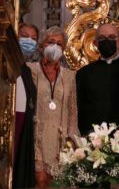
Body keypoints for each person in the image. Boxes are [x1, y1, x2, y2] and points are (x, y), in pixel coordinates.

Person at [28, 26, 79, 188]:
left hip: (60, 137)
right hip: (36, 136)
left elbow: (72, 109)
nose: (55, 47)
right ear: (42, 45)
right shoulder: (29, 70)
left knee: (56, 182)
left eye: (59, 44)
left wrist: (72, 138)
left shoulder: (69, 76)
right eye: (51, 42)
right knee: (39, 180)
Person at [76, 23, 119, 135]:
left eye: (112, 37)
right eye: (102, 38)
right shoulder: (83, 74)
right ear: (95, 43)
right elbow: (78, 108)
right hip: (92, 137)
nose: (107, 41)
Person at [13, 23, 39, 189]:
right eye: (24, 36)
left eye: (34, 38)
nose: (29, 41)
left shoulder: (27, 71)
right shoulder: (7, 62)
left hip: (25, 127)